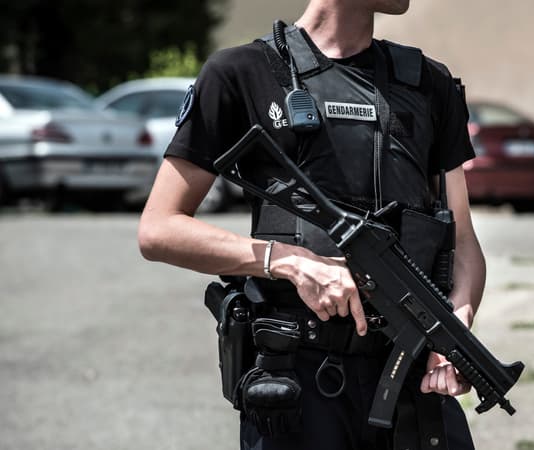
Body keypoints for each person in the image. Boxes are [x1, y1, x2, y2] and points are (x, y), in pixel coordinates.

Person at [138, 0, 486, 448]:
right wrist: (289, 262)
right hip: (299, 385)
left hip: (410, 385)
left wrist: (453, 329)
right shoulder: (242, 73)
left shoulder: (427, 84)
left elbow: (464, 245)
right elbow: (159, 228)